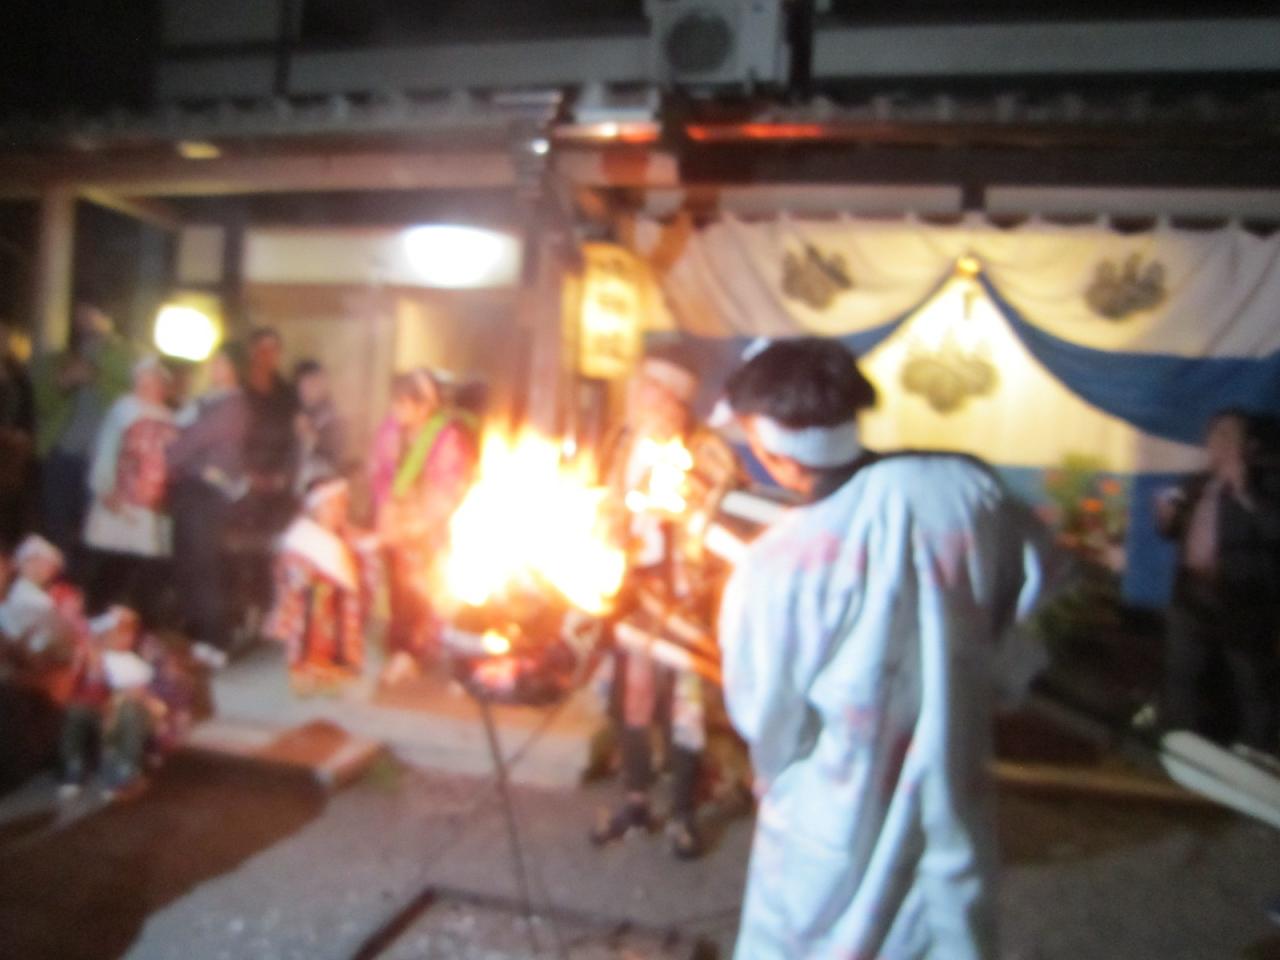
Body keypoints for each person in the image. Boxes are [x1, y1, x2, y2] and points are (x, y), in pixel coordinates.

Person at [717, 338, 1061, 960]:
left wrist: (771, 770)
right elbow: (1039, 585)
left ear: (774, 455)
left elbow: (765, 714)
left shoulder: (778, 563)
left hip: (833, 815)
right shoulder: (964, 488)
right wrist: (997, 678)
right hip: (952, 791)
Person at [589, 346, 742, 859]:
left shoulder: (706, 451)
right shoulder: (622, 440)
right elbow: (607, 502)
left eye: (650, 391)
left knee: (686, 708)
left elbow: (723, 517)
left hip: (686, 597)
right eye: (639, 388)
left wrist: (678, 508)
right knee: (632, 697)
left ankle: (682, 812)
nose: (638, 399)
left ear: (675, 399)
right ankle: (636, 801)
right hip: (633, 591)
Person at [1155, 409, 1280, 753]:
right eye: (1214, 436)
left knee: (1251, 682)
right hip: (1191, 594)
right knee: (1182, 675)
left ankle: (1258, 753)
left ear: (1249, 445)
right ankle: (1179, 745)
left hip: (1242, 600)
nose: (1219, 443)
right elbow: (1174, 531)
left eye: (1228, 435)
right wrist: (1166, 518)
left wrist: (1244, 492)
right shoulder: (1195, 484)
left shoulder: (1266, 484)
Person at [377, 369, 477, 685]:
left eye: (404, 404)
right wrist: (388, 512)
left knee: (422, 592)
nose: (397, 410)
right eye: (395, 403)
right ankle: (403, 651)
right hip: (397, 523)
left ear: (423, 406)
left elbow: (450, 484)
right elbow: (380, 472)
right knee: (398, 590)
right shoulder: (391, 430)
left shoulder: (445, 437)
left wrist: (421, 522)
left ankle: (413, 653)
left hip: (429, 529)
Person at [32, 299, 136, 577]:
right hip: (63, 451)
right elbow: (43, 405)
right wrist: (62, 384)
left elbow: (137, 399)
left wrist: (97, 378)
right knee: (56, 527)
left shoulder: (128, 356)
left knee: (95, 530)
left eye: (92, 313)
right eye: (80, 314)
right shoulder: (59, 358)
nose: (85, 320)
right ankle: (58, 585)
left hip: (103, 458)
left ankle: (85, 588)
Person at [167, 342, 250, 669]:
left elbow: (193, 439)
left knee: (205, 564)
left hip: (210, 492)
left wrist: (167, 455)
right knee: (189, 563)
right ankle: (198, 636)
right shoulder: (205, 401)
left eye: (221, 363)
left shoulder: (233, 405)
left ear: (233, 368)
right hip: (191, 487)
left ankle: (215, 639)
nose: (214, 369)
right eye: (213, 362)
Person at [83, 356, 177, 622]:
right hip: (121, 499)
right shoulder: (123, 409)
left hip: (153, 504)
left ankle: (136, 624)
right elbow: (106, 449)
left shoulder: (169, 416)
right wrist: (105, 488)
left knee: (145, 568)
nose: (149, 386)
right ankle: (97, 620)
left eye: (155, 380)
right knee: (113, 562)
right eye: (145, 380)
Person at [265, 477, 376, 693]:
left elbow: (366, 545)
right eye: (330, 505)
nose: (337, 511)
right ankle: (306, 670)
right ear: (315, 507)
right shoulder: (300, 537)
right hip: (311, 600)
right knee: (311, 631)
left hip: (339, 603)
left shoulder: (346, 534)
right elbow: (290, 574)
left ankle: (337, 669)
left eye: (341, 505)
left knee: (339, 632)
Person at [0, 322, 35, 550]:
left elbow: (27, 410)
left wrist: (22, 436)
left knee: (10, 502)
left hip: (12, 451)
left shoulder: (19, 374)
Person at [293, 359, 348, 494]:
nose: (307, 390)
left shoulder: (332, 417)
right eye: (303, 384)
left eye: (313, 383)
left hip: (321, 488)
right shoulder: (295, 412)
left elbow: (335, 454)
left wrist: (310, 434)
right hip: (295, 487)